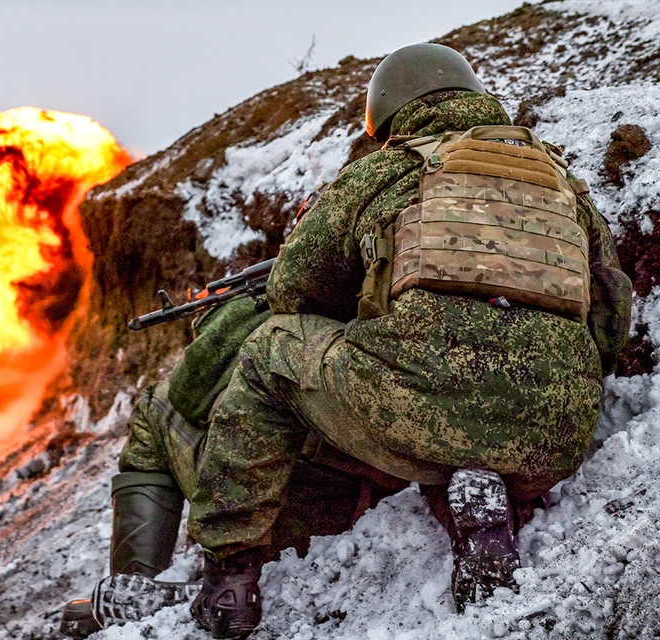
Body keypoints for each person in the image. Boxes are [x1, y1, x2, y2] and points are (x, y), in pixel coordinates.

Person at [186, 43, 633, 638]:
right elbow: (611, 319)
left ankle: (229, 576)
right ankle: (481, 499)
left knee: (272, 352)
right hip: (554, 438)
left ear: (390, 115)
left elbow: (293, 292)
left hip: (420, 409)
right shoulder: (561, 182)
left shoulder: (386, 169)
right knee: (461, 417)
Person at [61, 297, 408, 638]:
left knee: (157, 406)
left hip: (289, 518)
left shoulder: (328, 267)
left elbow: (188, 388)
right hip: (389, 506)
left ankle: (133, 594)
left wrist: (240, 304)